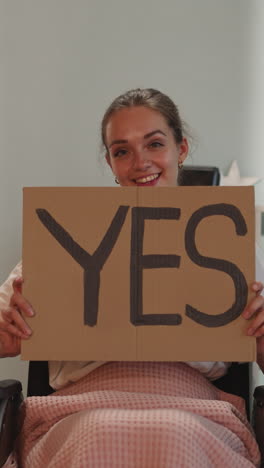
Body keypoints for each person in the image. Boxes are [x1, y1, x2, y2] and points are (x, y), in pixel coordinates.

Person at [1, 88, 264, 467]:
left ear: (181, 149)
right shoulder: (64, 239)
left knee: (174, 431)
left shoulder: (228, 243)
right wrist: (5, 335)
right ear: (110, 162)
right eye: (121, 151)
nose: (140, 162)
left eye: (155, 144)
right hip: (77, 413)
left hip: (196, 413)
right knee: (101, 430)